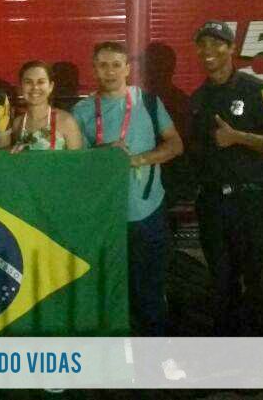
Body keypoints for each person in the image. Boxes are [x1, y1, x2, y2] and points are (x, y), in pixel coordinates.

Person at [71, 41, 185, 380]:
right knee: (106, 292)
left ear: (127, 68)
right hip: (103, 218)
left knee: (149, 291)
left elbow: (175, 145)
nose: (109, 71)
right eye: (102, 65)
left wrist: (139, 159)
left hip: (146, 212)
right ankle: (112, 365)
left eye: (115, 64)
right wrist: (105, 155)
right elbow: (74, 164)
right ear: (94, 68)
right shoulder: (82, 111)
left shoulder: (148, 102)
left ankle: (156, 362)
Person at [188, 20, 263, 337]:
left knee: (257, 277)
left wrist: (238, 137)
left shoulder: (257, 90)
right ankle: (227, 345)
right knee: (221, 279)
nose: (208, 51)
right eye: (203, 44)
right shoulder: (198, 98)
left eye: (217, 43)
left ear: (232, 48)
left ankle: (257, 343)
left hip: (251, 200)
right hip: (212, 203)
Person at [10, 60, 83, 152]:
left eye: (41, 82)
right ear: (21, 87)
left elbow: (78, 160)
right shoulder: (17, 123)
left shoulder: (66, 122)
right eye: (28, 82)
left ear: (50, 86)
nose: (35, 87)